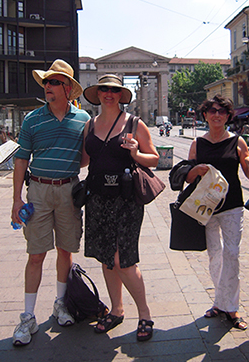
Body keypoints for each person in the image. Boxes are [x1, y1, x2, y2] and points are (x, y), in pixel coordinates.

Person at [11, 60, 90, 346]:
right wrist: (16, 199)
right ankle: (28, 317)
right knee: (36, 253)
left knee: (66, 251)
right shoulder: (32, 119)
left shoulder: (83, 120)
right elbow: (21, 160)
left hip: (69, 190)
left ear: (68, 89)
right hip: (39, 192)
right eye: (47, 82)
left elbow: (85, 157)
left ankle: (60, 303)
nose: (48, 86)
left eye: (55, 82)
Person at [81, 74, 159, 341]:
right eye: (104, 89)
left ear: (121, 94)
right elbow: (82, 160)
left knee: (122, 259)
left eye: (114, 90)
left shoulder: (134, 124)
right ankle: (116, 309)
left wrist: (136, 153)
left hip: (125, 200)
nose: (109, 94)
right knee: (106, 257)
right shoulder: (89, 125)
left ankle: (145, 314)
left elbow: (155, 159)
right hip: (97, 198)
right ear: (98, 93)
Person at [186, 94, 249, 330]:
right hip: (206, 207)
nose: (217, 114)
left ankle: (231, 306)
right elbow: (187, 176)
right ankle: (220, 302)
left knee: (232, 254)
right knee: (214, 255)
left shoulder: (238, 142)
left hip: (232, 206)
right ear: (205, 115)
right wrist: (195, 169)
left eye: (222, 111)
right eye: (212, 111)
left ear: (228, 116)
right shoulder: (197, 144)